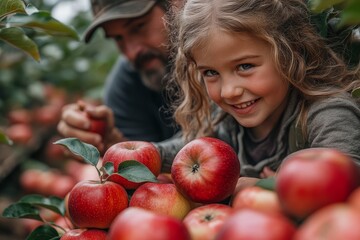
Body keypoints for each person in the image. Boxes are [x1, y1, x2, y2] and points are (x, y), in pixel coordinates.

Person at [155, 0, 360, 191]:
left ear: (290, 52)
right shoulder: (225, 121)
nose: (228, 91)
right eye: (210, 72)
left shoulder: (327, 114)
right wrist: (148, 154)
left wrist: (270, 187)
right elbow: (188, 148)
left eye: (245, 66)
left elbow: (347, 180)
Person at [57, 0, 181, 153]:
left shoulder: (215, 46)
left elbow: (217, 133)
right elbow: (154, 174)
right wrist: (115, 146)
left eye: (139, 27)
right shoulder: (125, 88)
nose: (131, 53)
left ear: (176, 3)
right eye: (118, 38)